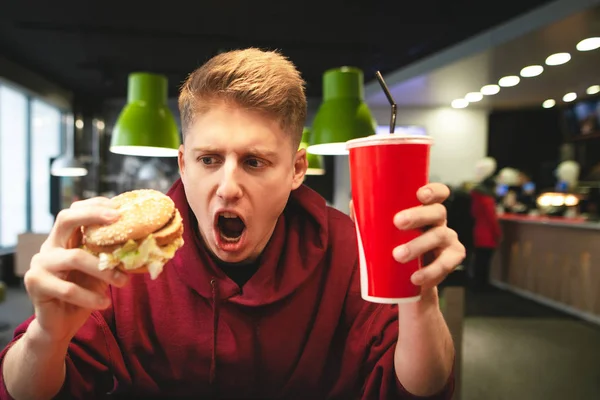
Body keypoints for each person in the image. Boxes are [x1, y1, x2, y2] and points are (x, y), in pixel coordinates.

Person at [0, 48, 465, 399]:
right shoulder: (123, 256)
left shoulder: (350, 250)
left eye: (256, 162)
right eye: (208, 159)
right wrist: (47, 336)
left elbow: (419, 389)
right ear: (182, 164)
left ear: (297, 170)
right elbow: (23, 391)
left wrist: (420, 298)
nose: (226, 186)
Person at [470, 176, 501, 291]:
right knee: (485, 262)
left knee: (479, 260)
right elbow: (492, 219)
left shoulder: (476, 198)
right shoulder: (488, 200)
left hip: (478, 232)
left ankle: (477, 284)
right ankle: (483, 285)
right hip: (487, 235)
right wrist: (498, 234)